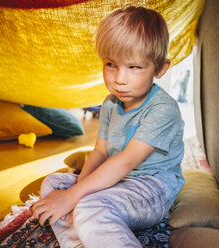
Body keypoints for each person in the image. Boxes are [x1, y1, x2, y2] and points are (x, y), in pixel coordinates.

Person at [32, 6, 185, 248]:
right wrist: (77, 189)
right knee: (53, 184)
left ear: (159, 68)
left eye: (134, 67)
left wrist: (75, 196)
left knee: (88, 204)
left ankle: (90, 226)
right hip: (115, 181)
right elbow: (100, 153)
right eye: (111, 64)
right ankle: (80, 241)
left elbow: (125, 161)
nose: (119, 79)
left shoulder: (163, 109)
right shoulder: (110, 103)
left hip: (150, 188)